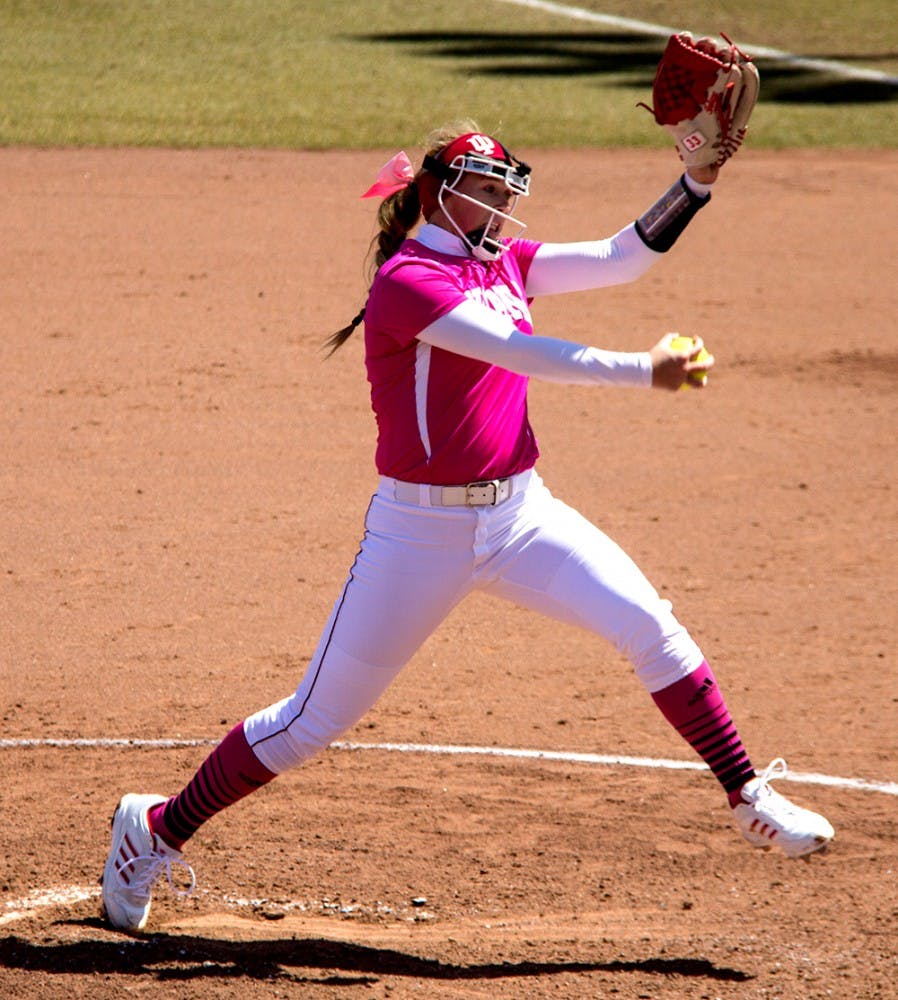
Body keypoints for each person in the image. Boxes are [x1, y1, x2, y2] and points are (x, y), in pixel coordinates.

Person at [102, 120, 834, 933]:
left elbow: (624, 256)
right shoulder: (409, 283)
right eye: (484, 191)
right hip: (419, 537)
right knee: (313, 721)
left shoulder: (505, 263)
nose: (498, 209)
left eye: (503, 194)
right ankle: (154, 828)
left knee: (651, 628)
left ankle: (746, 794)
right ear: (436, 193)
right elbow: (519, 353)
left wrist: (696, 181)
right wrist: (644, 370)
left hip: (523, 514)